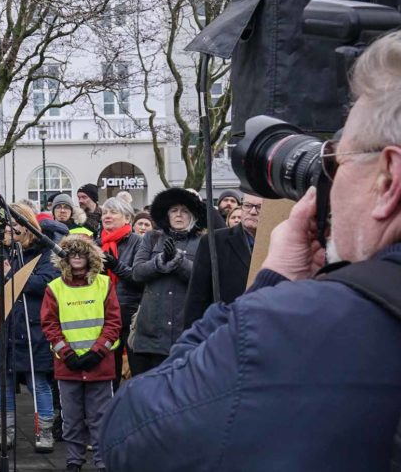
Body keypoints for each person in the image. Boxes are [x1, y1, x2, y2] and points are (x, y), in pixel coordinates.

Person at [100, 30, 401, 471]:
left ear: (388, 178)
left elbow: (131, 433)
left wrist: (271, 286)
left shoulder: (293, 324)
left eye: (337, 160)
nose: (329, 181)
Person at [0, 202, 61, 453]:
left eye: (15, 223)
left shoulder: (43, 252)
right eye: (7, 223)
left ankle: (44, 432)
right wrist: (4, 276)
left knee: (39, 383)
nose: (10, 228)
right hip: (4, 325)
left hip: (33, 326)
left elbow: (46, 283)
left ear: (26, 225)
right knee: (4, 382)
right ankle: (6, 431)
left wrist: (12, 275)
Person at [41, 236, 121, 472]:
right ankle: (74, 461)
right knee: (72, 420)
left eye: (81, 252)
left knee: (100, 419)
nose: (76, 256)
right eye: (72, 252)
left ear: (90, 256)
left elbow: (114, 323)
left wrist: (97, 352)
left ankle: (102, 461)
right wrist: (67, 354)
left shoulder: (105, 284)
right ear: (64, 257)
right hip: (68, 365)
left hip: (99, 364)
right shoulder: (54, 287)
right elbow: (50, 325)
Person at [128, 187, 206, 374]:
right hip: (150, 335)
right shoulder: (152, 238)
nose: (179, 215)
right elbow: (137, 273)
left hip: (185, 334)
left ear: (193, 215)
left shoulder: (203, 242)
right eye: (174, 210)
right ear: (166, 214)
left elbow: (203, 280)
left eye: (185, 211)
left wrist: (179, 262)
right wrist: (160, 261)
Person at [182, 194, 263, 329]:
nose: (253, 212)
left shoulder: (280, 242)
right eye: (248, 206)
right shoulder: (214, 241)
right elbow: (197, 295)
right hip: (224, 329)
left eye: (259, 208)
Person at [98, 197, 143, 388]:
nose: (107, 216)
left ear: (127, 218)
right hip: (104, 314)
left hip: (131, 313)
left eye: (113, 212)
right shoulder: (96, 243)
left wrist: (115, 266)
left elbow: (139, 277)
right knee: (109, 371)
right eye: (105, 212)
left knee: (137, 369)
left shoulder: (139, 242)